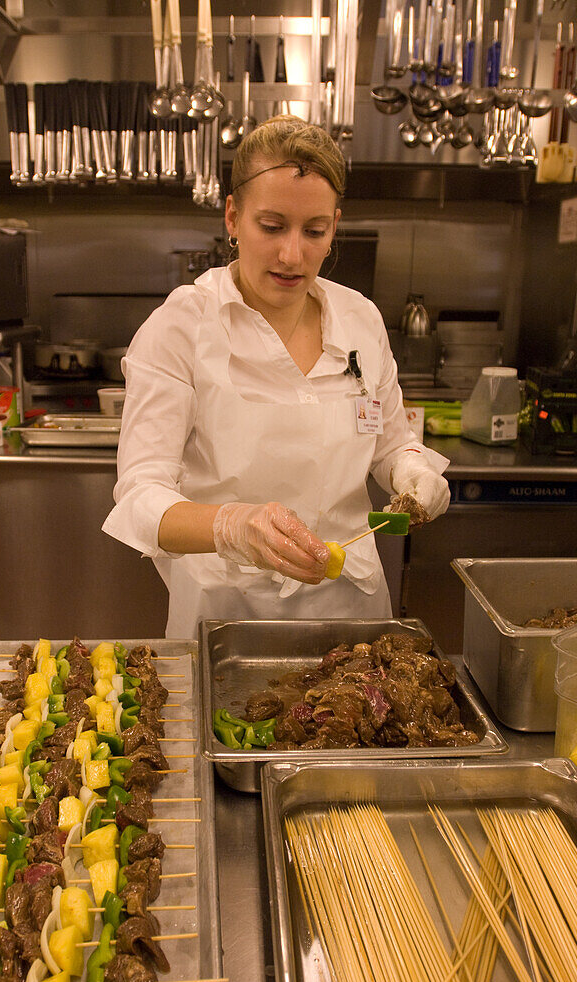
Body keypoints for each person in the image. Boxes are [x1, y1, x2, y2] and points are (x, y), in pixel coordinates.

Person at [103, 116, 451, 638]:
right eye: (271, 227)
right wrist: (231, 525)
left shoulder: (361, 321)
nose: (293, 254)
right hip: (227, 618)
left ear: (335, 225)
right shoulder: (182, 327)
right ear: (232, 216)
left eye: (315, 231)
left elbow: (389, 443)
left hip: (353, 616)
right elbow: (141, 496)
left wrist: (413, 473)